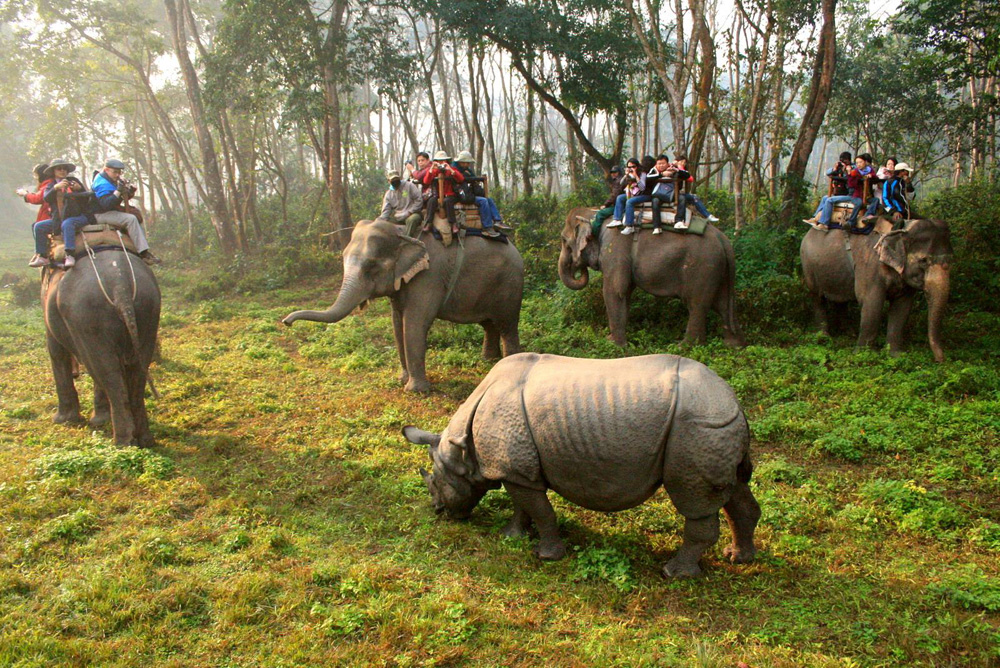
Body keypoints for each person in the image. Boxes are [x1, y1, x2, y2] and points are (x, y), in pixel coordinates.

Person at [91, 159, 160, 265]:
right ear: (106, 170)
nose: (117, 175)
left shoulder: (110, 179)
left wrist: (129, 191)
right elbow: (106, 204)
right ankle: (143, 252)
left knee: (135, 214)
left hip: (108, 211)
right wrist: (118, 190)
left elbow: (117, 198)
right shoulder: (102, 183)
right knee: (131, 219)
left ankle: (136, 243)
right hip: (100, 214)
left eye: (119, 172)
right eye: (115, 172)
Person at [37, 159, 95, 268]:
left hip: (79, 216)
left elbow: (87, 198)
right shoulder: (51, 185)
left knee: (67, 224)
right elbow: (46, 198)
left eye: (64, 169)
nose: (62, 171)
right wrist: (55, 188)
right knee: (38, 226)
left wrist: (78, 189)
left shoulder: (74, 181)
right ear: (54, 171)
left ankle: (70, 254)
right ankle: (43, 256)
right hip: (58, 218)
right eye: (59, 169)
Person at [452, 150, 502, 238]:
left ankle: (498, 221)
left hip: (469, 193)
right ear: (461, 162)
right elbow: (459, 178)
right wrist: (465, 175)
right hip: (461, 195)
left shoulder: (466, 169)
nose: (468, 165)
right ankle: (487, 227)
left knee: (489, 200)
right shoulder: (454, 169)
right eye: (466, 163)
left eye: (468, 163)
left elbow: (473, 177)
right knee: (483, 201)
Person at [19, 163, 54, 267]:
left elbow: (37, 198)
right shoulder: (49, 184)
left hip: (51, 215)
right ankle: (40, 251)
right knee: (35, 225)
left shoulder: (48, 185)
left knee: (38, 226)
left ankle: (43, 255)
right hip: (49, 214)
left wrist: (25, 194)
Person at [672, 154, 720, 230]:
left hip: (677, 193)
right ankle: (679, 220)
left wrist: (680, 167)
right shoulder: (671, 167)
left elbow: (690, 178)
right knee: (684, 198)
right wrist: (676, 165)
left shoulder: (682, 171)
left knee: (694, 197)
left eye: (684, 163)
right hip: (671, 194)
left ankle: (707, 215)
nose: (683, 164)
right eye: (681, 162)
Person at [422, 150, 465, 234]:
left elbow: (461, 179)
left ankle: (453, 224)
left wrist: (450, 169)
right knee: (431, 201)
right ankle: (428, 223)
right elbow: (426, 181)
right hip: (437, 195)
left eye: (443, 160)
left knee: (448, 201)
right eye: (439, 161)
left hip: (451, 195)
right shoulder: (434, 171)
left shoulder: (451, 169)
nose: (441, 163)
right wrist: (432, 168)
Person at [608, 158, 650, 236]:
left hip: (644, 194)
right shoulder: (629, 174)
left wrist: (636, 176)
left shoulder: (642, 174)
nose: (631, 169)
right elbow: (621, 183)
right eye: (629, 167)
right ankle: (617, 219)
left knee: (629, 202)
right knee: (620, 198)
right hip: (634, 194)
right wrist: (626, 175)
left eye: (633, 167)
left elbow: (642, 188)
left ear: (637, 166)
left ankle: (629, 225)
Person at [380, 169, 424, 237]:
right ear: (389, 181)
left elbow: (419, 200)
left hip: (411, 214)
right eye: (392, 180)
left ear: (400, 178)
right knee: (385, 224)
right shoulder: (388, 194)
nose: (395, 181)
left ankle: (407, 240)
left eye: (396, 179)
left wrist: (410, 212)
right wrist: (380, 221)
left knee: (412, 220)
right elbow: (386, 211)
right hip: (398, 216)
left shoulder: (409, 186)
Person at [648, 155, 678, 235]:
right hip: (658, 195)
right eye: (659, 163)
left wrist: (673, 170)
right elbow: (648, 178)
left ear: (667, 163)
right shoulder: (654, 170)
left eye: (663, 163)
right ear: (656, 164)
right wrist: (662, 175)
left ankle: (679, 221)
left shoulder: (673, 169)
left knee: (681, 198)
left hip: (671, 194)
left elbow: (683, 176)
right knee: (655, 201)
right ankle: (657, 227)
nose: (661, 165)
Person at [591, 165, 624, 236]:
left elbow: (614, 195)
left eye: (614, 172)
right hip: (620, 204)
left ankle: (594, 235)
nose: (612, 174)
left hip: (619, 206)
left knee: (600, 214)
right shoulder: (621, 180)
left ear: (618, 173)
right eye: (612, 172)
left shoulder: (619, 181)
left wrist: (606, 204)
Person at [862, 156, 897, 221]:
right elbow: (878, 179)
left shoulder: (897, 174)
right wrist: (885, 173)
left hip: (891, 196)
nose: (890, 166)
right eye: (888, 164)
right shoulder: (882, 170)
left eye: (892, 164)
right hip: (880, 193)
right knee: (879, 203)